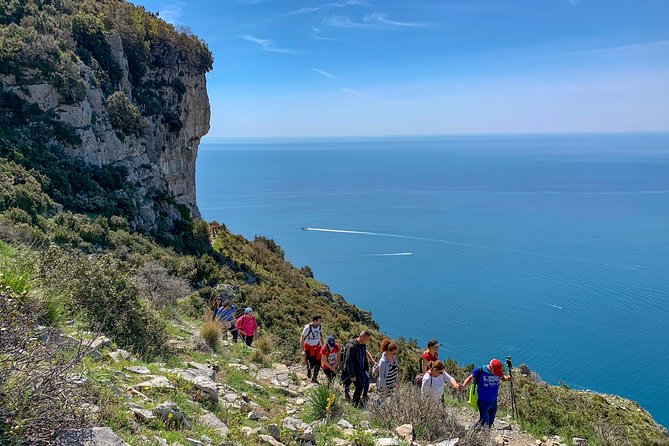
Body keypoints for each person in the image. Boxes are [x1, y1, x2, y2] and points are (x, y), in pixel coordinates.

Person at [461, 358, 512, 428]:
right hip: (483, 401)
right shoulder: (480, 370)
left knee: (490, 422)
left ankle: (478, 431)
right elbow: (470, 378)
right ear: (491, 368)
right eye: (496, 372)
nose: (497, 374)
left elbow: (502, 377)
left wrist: (508, 378)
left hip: (494, 401)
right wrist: (463, 386)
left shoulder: (497, 371)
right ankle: (474, 432)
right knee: (485, 423)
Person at [341, 330, 371, 408]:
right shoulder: (351, 346)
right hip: (350, 372)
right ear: (361, 337)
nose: (367, 341)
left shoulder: (363, 345)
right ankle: (347, 396)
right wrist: (352, 375)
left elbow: (364, 357)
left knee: (360, 386)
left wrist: (365, 368)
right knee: (347, 384)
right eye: (366, 339)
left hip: (359, 370)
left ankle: (355, 402)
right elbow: (348, 361)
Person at [300, 315, 324, 383]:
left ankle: (314, 378)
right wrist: (302, 350)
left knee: (318, 363)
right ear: (315, 321)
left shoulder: (319, 326)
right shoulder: (308, 328)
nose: (320, 322)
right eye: (319, 320)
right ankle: (309, 370)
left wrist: (323, 345)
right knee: (311, 364)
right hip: (308, 348)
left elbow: (320, 334)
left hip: (317, 347)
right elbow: (302, 339)